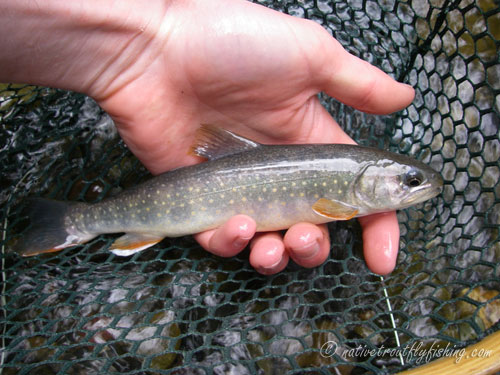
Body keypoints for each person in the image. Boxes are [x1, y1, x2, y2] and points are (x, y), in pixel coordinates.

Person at [1, 0, 414, 275]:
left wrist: (144, 43)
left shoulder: (346, 189)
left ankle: (81, 220)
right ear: (370, 179)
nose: (412, 187)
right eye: (409, 181)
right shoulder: (340, 201)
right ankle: (79, 220)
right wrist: (149, 41)